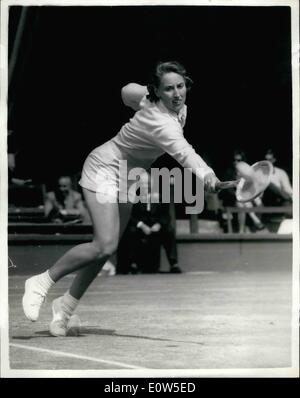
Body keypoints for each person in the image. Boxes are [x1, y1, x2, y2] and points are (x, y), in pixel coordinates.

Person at [22, 61, 220, 336]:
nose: (177, 93)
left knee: (108, 247)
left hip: (129, 176)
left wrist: (139, 94)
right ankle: (41, 281)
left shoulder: (167, 106)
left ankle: (65, 308)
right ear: (157, 92)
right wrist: (206, 174)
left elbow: (126, 92)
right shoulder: (163, 123)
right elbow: (184, 152)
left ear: (187, 84)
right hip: (105, 167)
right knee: (104, 244)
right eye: (168, 89)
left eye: (180, 86)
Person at [219, 150, 265, 233]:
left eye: (239, 160)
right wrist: (240, 195)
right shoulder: (229, 172)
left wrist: (251, 196)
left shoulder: (248, 171)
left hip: (247, 196)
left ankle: (255, 227)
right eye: (234, 160)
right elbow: (228, 190)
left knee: (259, 203)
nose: (236, 162)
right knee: (241, 205)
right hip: (232, 198)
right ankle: (242, 230)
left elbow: (253, 185)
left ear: (243, 161)